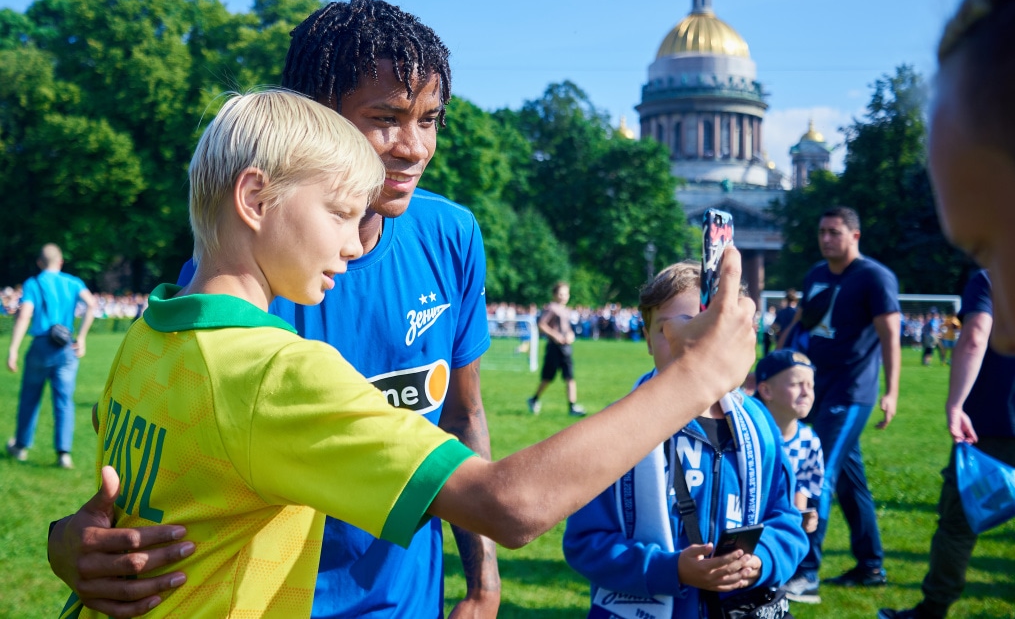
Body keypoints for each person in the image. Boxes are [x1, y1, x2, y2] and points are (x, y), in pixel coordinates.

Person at [56, 88, 758, 619]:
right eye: (337, 211)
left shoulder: (151, 333)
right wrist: (694, 376)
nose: (354, 241)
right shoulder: (275, 370)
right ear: (254, 197)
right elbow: (509, 504)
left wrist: (68, 540)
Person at [48, 0, 502, 619]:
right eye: (386, 118)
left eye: (430, 120)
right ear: (311, 117)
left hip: (407, 601)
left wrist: (482, 585)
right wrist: (69, 540)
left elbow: (461, 415)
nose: (414, 147)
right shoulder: (242, 281)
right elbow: (153, 476)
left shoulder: (451, 235)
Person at [562, 262, 807, 618]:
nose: (686, 342)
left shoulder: (759, 427)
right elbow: (586, 542)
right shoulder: (616, 429)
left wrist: (761, 560)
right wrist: (670, 569)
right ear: (646, 338)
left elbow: (784, 519)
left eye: (702, 326)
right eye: (668, 329)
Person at [778, 206, 901, 603]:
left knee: (817, 474)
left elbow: (891, 337)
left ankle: (806, 574)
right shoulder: (815, 275)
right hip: (816, 389)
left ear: (854, 236)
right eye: (822, 231)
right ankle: (871, 567)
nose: (826, 238)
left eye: (834, 231)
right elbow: (800, 324)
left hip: (852, 393)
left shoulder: (874, 277)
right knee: (850, 484)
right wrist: (774, 365)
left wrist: (891, 391)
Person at [879, 271, 1015, 619]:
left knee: (959, 524)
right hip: (995, 423)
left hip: (992, 425)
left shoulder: (993, 275)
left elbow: (974, 337)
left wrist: (955, 403)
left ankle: (932, 610)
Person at [6, 243, 96, 469]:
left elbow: (25, 313)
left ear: (39, 263)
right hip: (66, 348)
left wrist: (13, 348)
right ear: (61, 261)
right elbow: (92, 305)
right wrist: (82, 337)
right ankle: (64, 453)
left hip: (40, 346)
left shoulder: (33, 283)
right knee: (65, 402)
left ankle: (21, 447)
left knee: (30, 398)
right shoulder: (73, 282)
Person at [753, 349, 824, 603]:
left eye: (811, 385)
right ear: (766, 391)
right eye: (796, 384)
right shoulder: (750, 435)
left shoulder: (809, 441)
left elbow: (800, 495)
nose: (806, 392)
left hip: (776, 529)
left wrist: (800, 520)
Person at [528, 282, 585, 416]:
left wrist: (571, 335)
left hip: (566, 348)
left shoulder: (566, 310)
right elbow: (541, 324)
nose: (563, 297)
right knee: (547, 378)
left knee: (570, 377)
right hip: (554, 348)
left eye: (566, 294)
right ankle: (534, 399)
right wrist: (555, 335)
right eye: (560, 294)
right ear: (554, 295)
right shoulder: (552, 308)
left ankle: (572, 406)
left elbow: (568, 328)